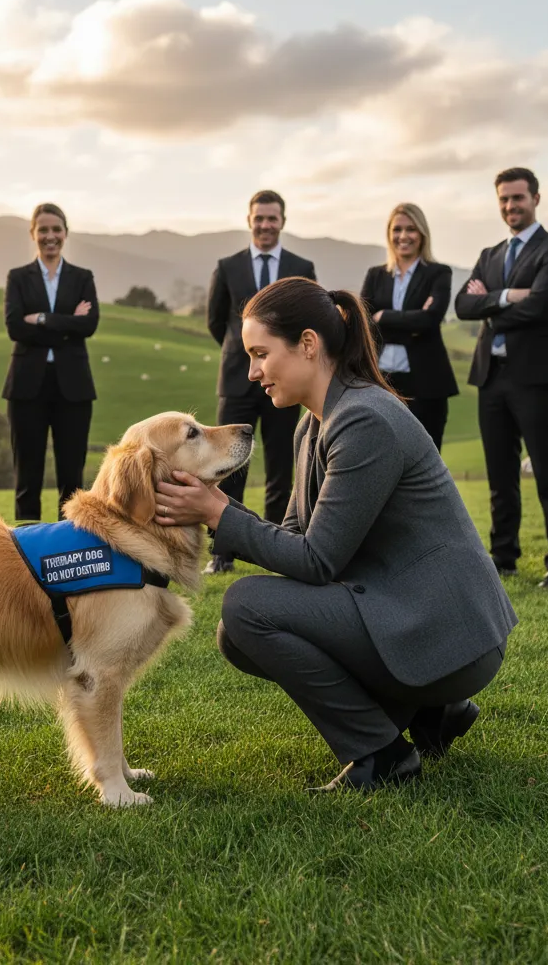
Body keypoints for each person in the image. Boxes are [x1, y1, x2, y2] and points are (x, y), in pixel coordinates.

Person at [154, 278, 516, 790]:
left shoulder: (364, 420)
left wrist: (218, 514)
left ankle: (382, 754)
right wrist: (217, 510)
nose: (252, 372)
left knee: (245, 607)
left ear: (307, 344)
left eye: (261, 354)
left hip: (449, 636)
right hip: (408, 612)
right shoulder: (314, 424)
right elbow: (295, 536)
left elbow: (316, 560)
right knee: (236, 633)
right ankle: (431, 714)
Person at [454, 168, 548, 587]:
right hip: (491, 377)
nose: (510, 206)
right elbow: (462, 306)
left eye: (518, 198)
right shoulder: (490, 254)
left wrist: (488, 305)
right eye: (504, 199)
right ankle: (503, 557)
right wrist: (507, 296)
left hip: (536, 376)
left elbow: (541, 307)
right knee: (500, 475)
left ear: (535, 199)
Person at [205, 190, 316, 574]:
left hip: (286, 381)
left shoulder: (301, 266)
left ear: (282, 221)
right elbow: (216, 322)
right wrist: (248, 356)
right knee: (226, 467)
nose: (265, 225)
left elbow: (310, 320)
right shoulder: (227, 266)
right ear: (249, 220)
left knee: (281, 467)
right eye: (259, 218)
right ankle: (222, 554)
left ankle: (278, 550)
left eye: (272, 218)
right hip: (237, 379)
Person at [3, 203, 98, 522]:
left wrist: (42, 319)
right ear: (33, 233)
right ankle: (24, 544)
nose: (50, 236)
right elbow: (15, 327)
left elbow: (89, 325)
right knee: (26, 476)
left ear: (66, 233)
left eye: (56, 229)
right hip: (26, 387)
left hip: (74, 388)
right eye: (43, 229)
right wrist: (68, 323)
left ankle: (70, 544)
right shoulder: (18, 277)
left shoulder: (82, 278)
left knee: (72, 477)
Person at [360, 203, 458, 450]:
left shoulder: (438, 273)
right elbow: (364, 323)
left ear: (422, 233)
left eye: (411, 229)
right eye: (397, 229)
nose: (403, 236)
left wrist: (383, 316)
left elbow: (430, 320)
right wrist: (411, 322)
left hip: (426, 384)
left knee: (426, 456)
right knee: (381, 456)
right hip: (381, 382)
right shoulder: (375, 275)